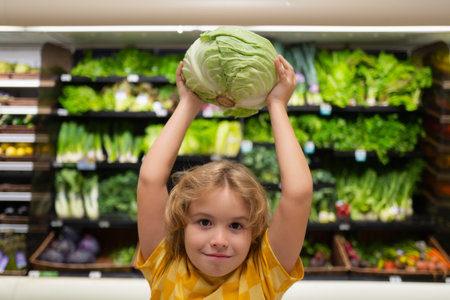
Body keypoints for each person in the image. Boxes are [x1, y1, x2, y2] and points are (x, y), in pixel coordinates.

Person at [136, 54, 313, 299]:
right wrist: (188, 103)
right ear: (181, 224)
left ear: (255, 233)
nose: (219, 240)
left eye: (237, 225)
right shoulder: (166, 261)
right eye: (204, 222)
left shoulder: (263, 272)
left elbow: (299, 194)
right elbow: (149, 180)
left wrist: (277, 105)